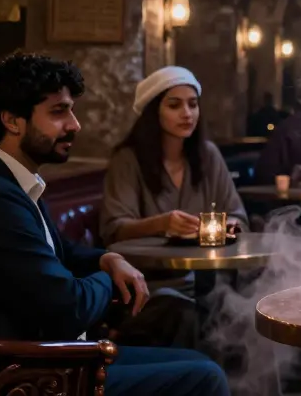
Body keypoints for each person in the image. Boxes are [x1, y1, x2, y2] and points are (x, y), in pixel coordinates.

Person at [0, 54, 228, 396]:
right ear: (13, 121)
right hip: (3, 376)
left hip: (29, 360)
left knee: (198, 360)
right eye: (59, 112)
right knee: (205, 377)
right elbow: (69, 310)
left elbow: (61, 252)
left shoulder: (7, 180)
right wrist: (108, 279)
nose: (75, 124)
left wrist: (107, 259)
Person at [99, 66, 249, 348]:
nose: (187, 113)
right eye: (174, 105)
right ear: (154, 111)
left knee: (248, 308)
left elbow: (239, 215)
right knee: (189, 315)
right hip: (149, 286)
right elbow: (113, 230)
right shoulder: (128, 160)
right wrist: (161, 223)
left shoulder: (209, 156)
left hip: (209, 282)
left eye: (193, 105)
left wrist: (229, 226)